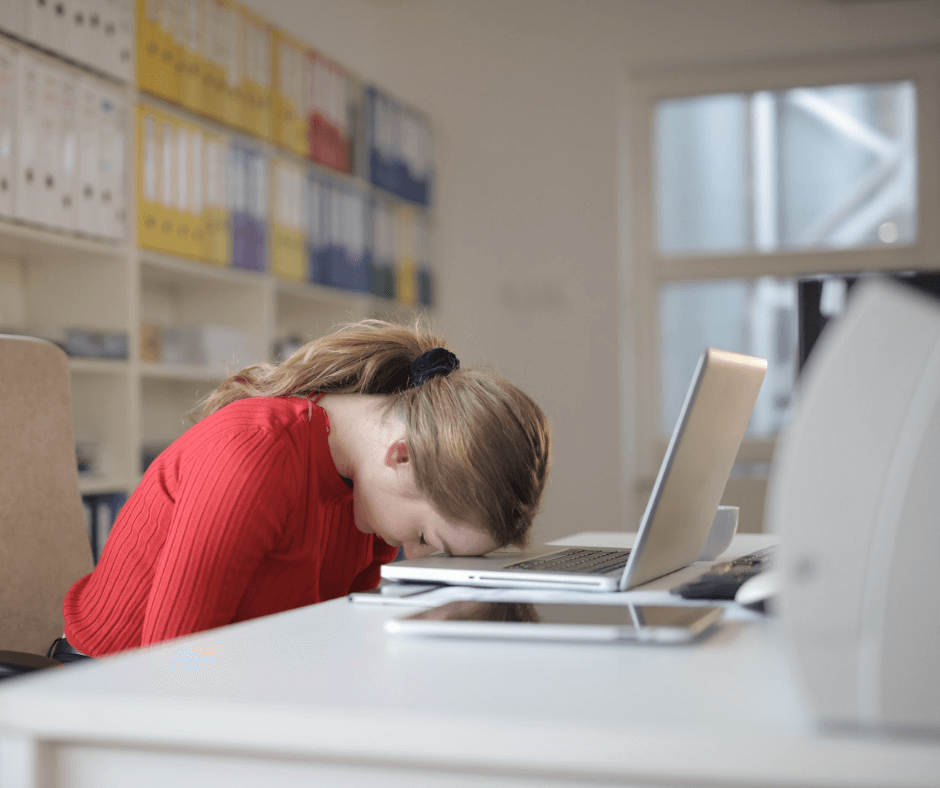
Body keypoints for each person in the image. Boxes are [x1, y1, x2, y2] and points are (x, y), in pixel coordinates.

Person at [61, 319, 552, 657]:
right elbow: (172, 672)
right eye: (427, 540)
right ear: (402, 455)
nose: (415, 556)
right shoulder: (254, 454)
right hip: (108, 693)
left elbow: (325, 640)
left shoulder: (369, 494)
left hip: (241, 683)